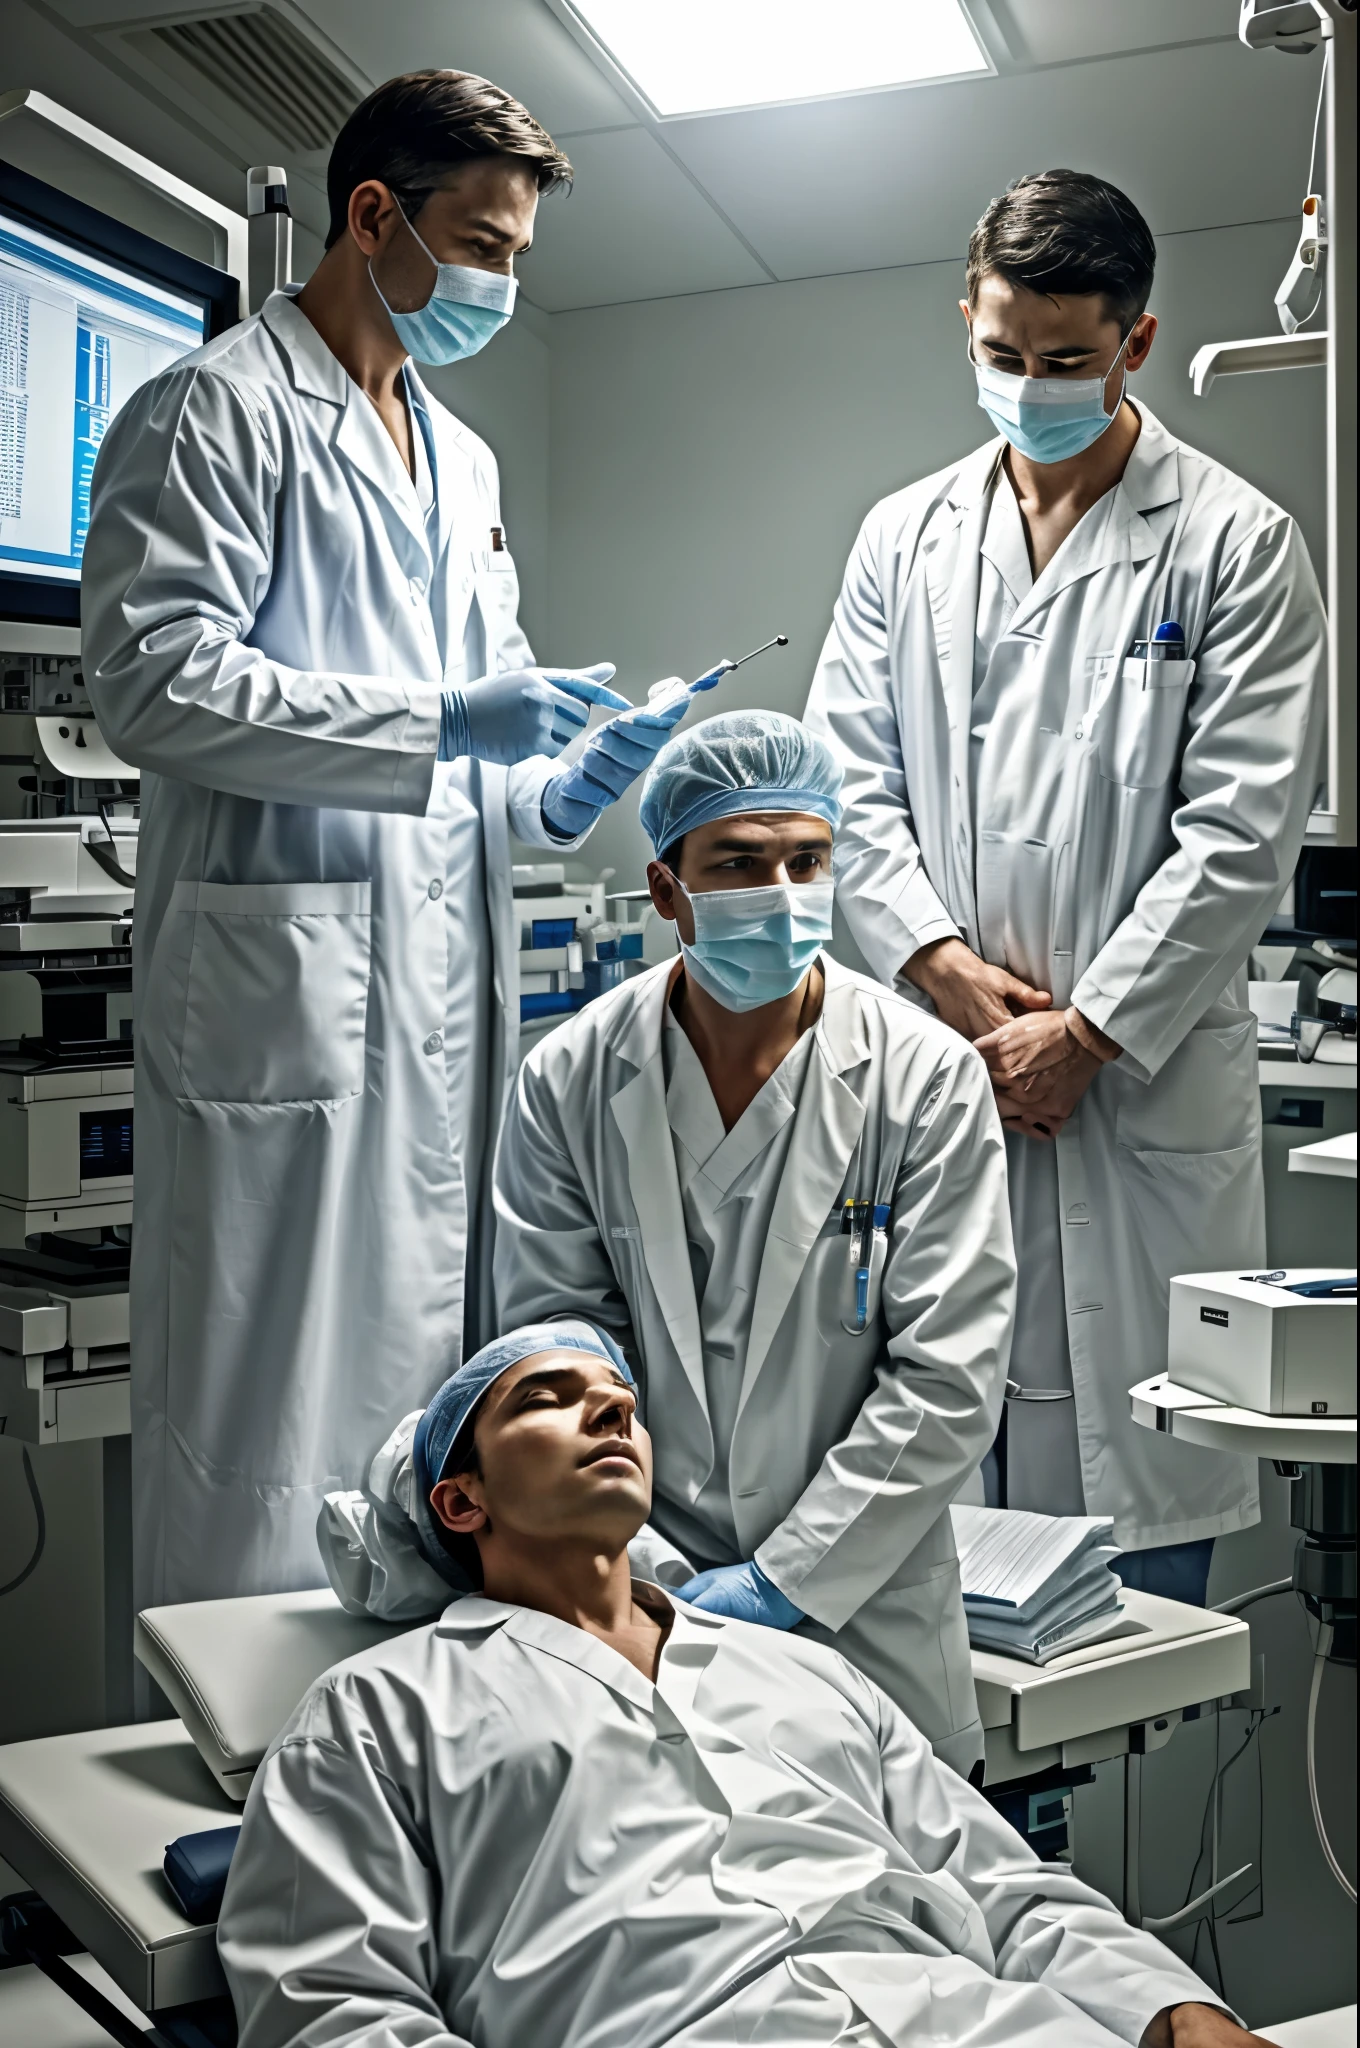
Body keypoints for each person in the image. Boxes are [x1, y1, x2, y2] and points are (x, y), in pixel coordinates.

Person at [80, 70, 691, 1610]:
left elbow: (483, 739)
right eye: (481, 245)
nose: (498, 282)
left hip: (435, 1022)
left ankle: (402, 1801)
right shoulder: (212, 407)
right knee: (266, 1441)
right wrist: (437, 728)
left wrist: (563, 780)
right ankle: (232, 1808)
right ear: (373, 217)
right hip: (288, 1025)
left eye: (516, 257)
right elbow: (153, 678)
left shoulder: (461, 461)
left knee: (432, 1451)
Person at [222, 1323, 1274, 2048]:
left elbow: (1003, 1887)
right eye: (548, 1400)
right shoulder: (375, 1712)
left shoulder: (805, 1670)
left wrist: (1170, 2007)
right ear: (460, 1499)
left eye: (619, 1403)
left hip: (977, 2019)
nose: (605, 1413)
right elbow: (332, 2003)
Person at [804, 169, 1327, 1603]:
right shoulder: (899, 540)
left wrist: (1084, 1035)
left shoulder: (1235, 543)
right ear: (963, 324)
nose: (1030, 387)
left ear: (1135, 346)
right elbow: (851, 785)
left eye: (1066, 363)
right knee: (926, 1551)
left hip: (1134, 1103)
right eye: (1001, 356)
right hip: (949, 1068)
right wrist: (945, 979)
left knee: (1146, 1583)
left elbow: (1241, 832)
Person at [488, 710, 1015, 1775]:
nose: (780, 893)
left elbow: (947, 1375)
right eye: (737, 863)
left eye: (805, 860)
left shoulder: (924, 1076)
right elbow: (555, 1343)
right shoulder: (569, 1077)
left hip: (861, 1615)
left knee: (894, 1911)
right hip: (638, 1596)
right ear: (665, 888)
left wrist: (784, 1581)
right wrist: (651, 1569)